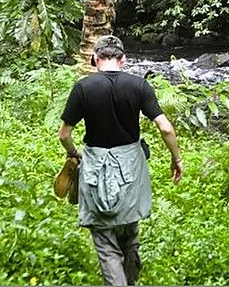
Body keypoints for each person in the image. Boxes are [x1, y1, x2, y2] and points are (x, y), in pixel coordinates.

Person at [59, 34, 182, 286]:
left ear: (95, 59)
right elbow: (166, 128)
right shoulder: (139, 86)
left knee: (105, 244)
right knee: (129, 232)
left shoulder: (83, 87)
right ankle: (130, 279)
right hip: (131, 168)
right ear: (123, 59)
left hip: (96, 168)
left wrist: (72, 152)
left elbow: (64, 134)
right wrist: (176, 158)